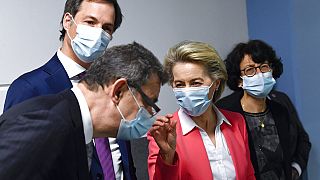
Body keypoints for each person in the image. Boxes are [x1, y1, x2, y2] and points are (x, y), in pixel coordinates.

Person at [3, 0, 137, 180]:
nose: (98, 33)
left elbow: (124, 165)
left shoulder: (115, 88)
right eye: (90, 22)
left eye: (107, 28)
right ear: (68, 21)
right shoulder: (29, 89)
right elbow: (15, 169)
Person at [0, 42, 168, 180]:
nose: (149, 113)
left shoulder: (75, 126)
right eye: (148, 102)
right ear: (118, 91)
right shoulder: (45, 126)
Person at [147, 41, 255, 180]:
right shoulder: (164, 133)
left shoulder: (237, 122)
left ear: (216, 83)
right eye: (179, 84)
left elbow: (248, 175)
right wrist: (167, 156)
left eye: (196, 83)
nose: (187, 91)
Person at [216, 39, 311, 180]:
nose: (259, 74)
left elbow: (301, 139)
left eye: (264, 67)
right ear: (239, 80)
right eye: (250, 70)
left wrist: (295, 170)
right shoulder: (224, 111)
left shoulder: (280, 106)